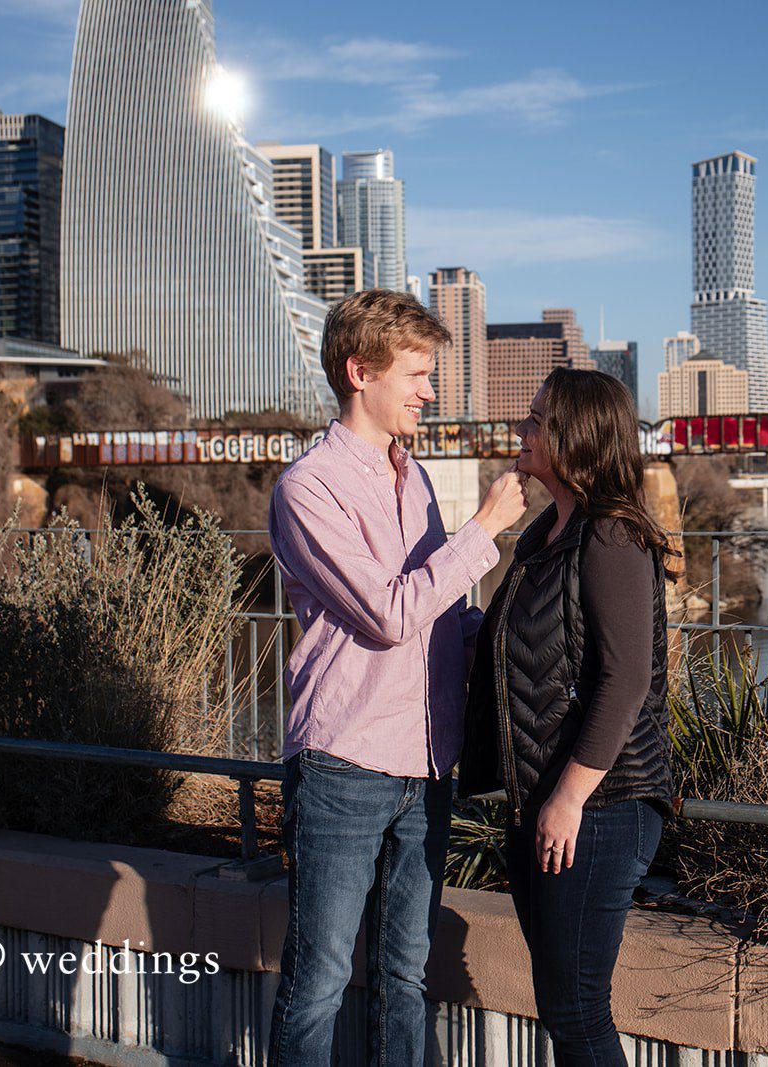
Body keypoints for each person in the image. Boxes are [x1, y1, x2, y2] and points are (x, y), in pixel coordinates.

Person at [267, 289, 528, 1066]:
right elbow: (387, 613)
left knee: (406, 973)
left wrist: (517, 640)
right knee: (317, 979)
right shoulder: (307, 488)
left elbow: (436, 614)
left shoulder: (411, 477)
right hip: (344, 760)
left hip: (427, 760)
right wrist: (484, 530)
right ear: (359, 370)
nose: (430, 390)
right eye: (417, 373)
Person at [459, 368, 676, 1067]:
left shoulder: (611, 535)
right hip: (545, 800)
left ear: (573, 434)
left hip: (599, 804)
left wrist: (568, 797)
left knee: (576, 1009)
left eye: (535, 419)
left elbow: (626, 680)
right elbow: (504, 649)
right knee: (561, 1002)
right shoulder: (542, 535)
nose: (522, 430)